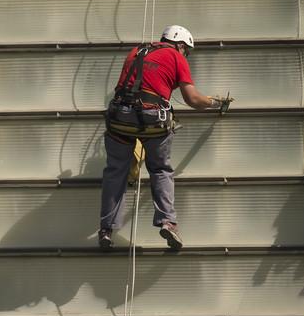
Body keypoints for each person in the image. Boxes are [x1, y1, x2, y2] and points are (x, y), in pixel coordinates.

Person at [98, 25, 232, 250]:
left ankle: (106, 229)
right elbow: (192, 99)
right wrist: (216, 103)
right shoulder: (176, 56)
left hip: (119, 118)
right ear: (180, 44)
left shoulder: (136, 52)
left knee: (115, 172)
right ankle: (168, 223)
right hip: (152, 120)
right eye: (186, 51)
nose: (185, 55)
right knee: (160, 169)